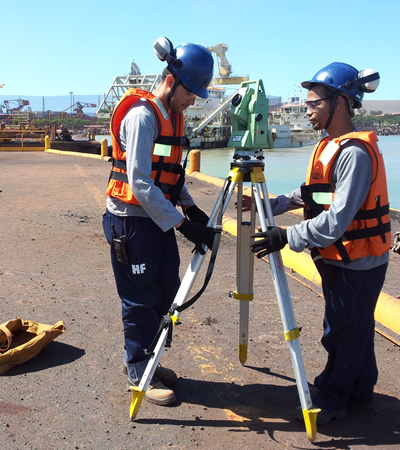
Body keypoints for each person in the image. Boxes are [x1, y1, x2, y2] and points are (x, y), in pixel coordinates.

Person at [251, 62, 391, 425]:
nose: (307, 110)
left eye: (314, 104)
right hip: (341, 258)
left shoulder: (354, 154)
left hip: (356, 261)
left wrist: (286, 237)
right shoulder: (331, 146)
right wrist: (274, 204)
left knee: (343, 330)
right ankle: (360, 392)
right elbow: (313, 194)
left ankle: (331, 398)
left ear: (339, 103)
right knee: (356, 327)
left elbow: (335, 221)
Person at [102, 38, 215, 407]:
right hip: (132, 222)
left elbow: (171, 175)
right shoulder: (142, 116)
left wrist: (190, 208)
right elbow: (139, 181)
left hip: (157, 219)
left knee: (166, 292)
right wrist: (183, 225)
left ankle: (148, 361)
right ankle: (138, 372)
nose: (193, 100)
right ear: (171, 78)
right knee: (140, 300)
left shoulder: (174, 117)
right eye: (191, 92)